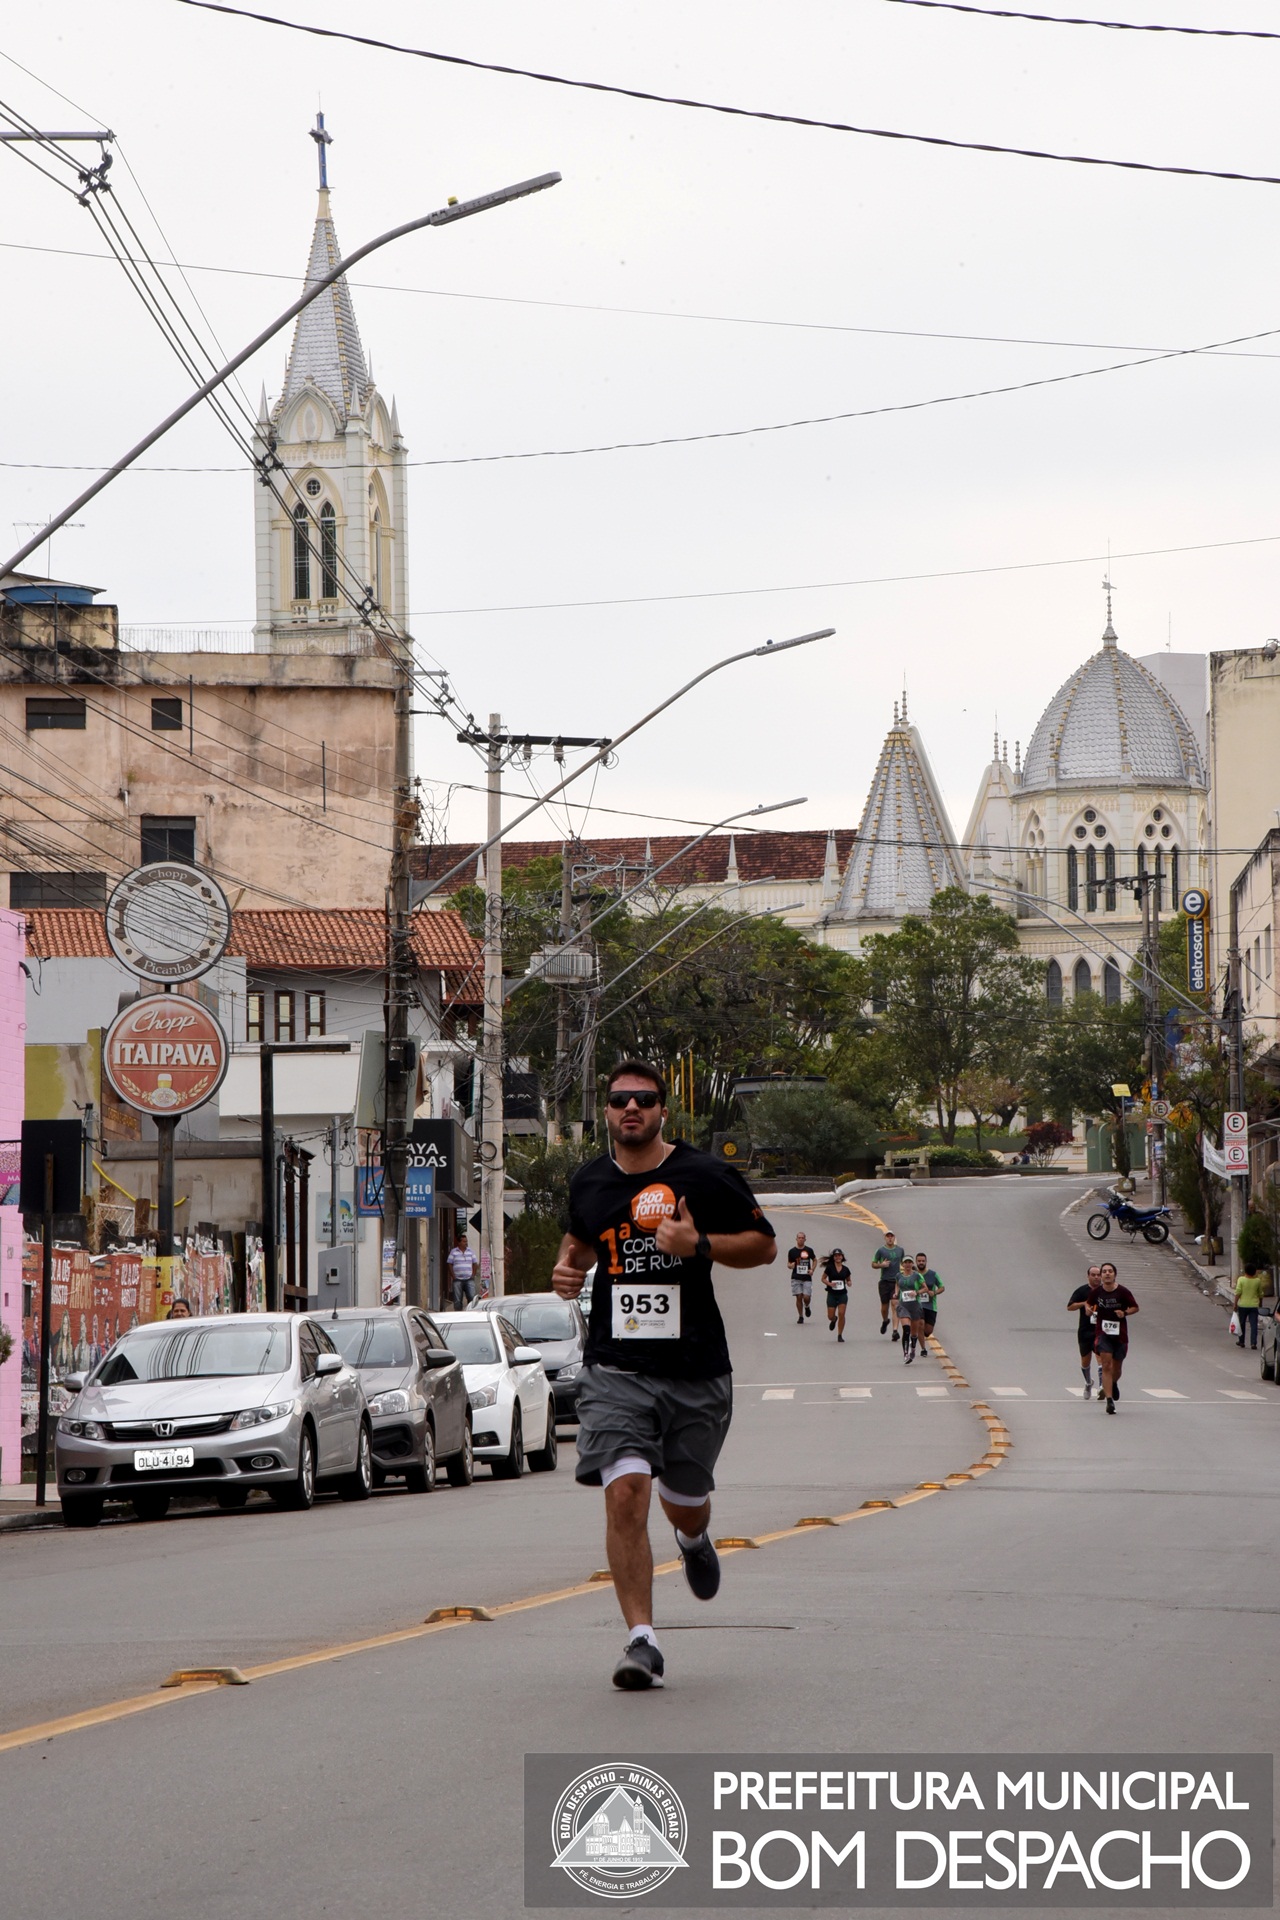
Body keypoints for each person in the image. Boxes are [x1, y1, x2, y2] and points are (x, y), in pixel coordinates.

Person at [550, 1059, 777, 1691]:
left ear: (662, 1111)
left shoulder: (703, 1175)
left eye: (644, 1100)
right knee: (626, 1491)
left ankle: (694, 1540)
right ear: (606, 1110)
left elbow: (763, 1245)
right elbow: (581, 1245)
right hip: (616, 1367)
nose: (632, 1108)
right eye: (620, 1098)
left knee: (684, 1501)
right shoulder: (590, 1181)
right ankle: (642, 1640)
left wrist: (697, 1245)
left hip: (695, 1370)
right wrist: (566, 1270)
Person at [1089, 1261, 1138, 1414]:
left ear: (1115, 1274)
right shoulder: (1097, 1292)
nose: (1107, 1274)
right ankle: (1109, 1401)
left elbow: (1135, 1307)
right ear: (1101, 1276)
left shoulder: (1123, 1292)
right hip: (1103, 1333)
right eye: (1104, 1271)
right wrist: (1088, 1310)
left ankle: (1113, 1382)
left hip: (1120, 1335)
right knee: (1106, 1365)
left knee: (1116, 1368)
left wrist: (1124, 1313)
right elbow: (1088, 1304)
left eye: (1110, 1271)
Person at [1067, 1264, 1101, 1397]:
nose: (1096, 1277)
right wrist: (1084, 1303)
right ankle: (1088, 1383)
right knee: (1085, 1361)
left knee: (1101, 1358)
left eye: (1098, 1275)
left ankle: (1102, 1387)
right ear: (1088, 1276)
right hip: (1085, 1330)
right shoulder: (1082, 1291)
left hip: (1100, 1330)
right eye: (1093, 1275)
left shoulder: (1105, 1291)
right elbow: (1069, 1307)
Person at [872, 1230, 905, 1339]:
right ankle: (885, 1320)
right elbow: (873, 1264)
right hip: (884, 1281)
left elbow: (903, 1263)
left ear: (894, 1238)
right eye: (888, 1236)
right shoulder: (881, 1250)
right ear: (885, 1238)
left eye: (891, 1236)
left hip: (896, 1282)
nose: (890, 1238)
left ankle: (895, 1331)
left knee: (895, 1304)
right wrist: (881, 1265)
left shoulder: (900, 1250)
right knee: (884, 1307)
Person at [896, 1257, 926, 1363]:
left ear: (912, 1264)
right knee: (906, 1329)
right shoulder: (898, 1275)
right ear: (902, 1264)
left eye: (909, 1262)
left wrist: (916, 1292)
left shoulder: (917, 1275)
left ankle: (913, 1348)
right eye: (906, 1262)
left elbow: (925, 1288)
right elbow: (897, 1284)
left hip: (915, 1306)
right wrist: (896, 1293)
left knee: (914, 1333)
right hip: (903, 1305)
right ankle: (906, 1353)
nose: (908, 1264)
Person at [1233, 1262, 1269, 1350]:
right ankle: (1253, 1343)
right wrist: (1260, 1304)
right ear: (1254, 1272)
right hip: (1253, 1306)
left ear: (1245, 1271)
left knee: (1242, 1324)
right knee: (1253, 1325)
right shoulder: (1257, 1281)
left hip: (1242, 1305)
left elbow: (1238, 1293)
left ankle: (1241, 1341)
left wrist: (1235, 1304)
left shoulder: (1241, 1279)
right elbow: (1260, 1294)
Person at [914, 1254, 944, 1356]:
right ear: (916, 1262)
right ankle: (923, 1349)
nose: (921, 1263)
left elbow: (942, 1287)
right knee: (920, 1324)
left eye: (923, 1261)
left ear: (926, 1262)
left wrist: (934, 1292)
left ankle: (918, 1334)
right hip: (918, 1305)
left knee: (928, 1331)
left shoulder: (933, 1274)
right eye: (919, 1261)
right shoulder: (913, 1275)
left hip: (931, 1306)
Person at [787, 1232, 817, 1324]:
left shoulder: (809, 1250)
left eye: (802, 1238)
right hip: (796, 1277)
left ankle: (807, 1306)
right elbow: (788, 1263)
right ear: (796, 1239)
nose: (800, 1239)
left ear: (805, 1239)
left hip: (806, 1277)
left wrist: (812, 1269)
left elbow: (815, 1260)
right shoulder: (792, 1251)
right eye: (799, 1238)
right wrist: (790, 1266)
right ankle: (800, 1316)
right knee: (799, 1297)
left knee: (806, 1297)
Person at [446, 1230, 480, 1310]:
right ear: (459, 1242)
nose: (466, 1243)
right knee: (457, 1300)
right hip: (457, 1279)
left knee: (471, 1297)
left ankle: (471, 1312)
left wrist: (473, 1274)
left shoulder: (470, 1251)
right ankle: (459, 1314)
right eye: (464, 1241)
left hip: (469, 1279)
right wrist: (453, 1276)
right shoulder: (454, 1252)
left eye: (466, 1241)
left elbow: (475, 1263)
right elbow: (449, 1264)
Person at [823, 1249, 851, 1340]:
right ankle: (834, 1319)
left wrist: (849, 1282)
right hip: (832, 1294)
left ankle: (840, 1335)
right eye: (836, 1256)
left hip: (842, 1294)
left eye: (839, 1255)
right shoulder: (829, 1268)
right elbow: (823, 1278)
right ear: (833, 1257)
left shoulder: (846, 1269)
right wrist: (829, 1284)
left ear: (842, 1257)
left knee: (841, 1314)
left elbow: (848, 1279)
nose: (838, 1257)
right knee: (830, 1316)